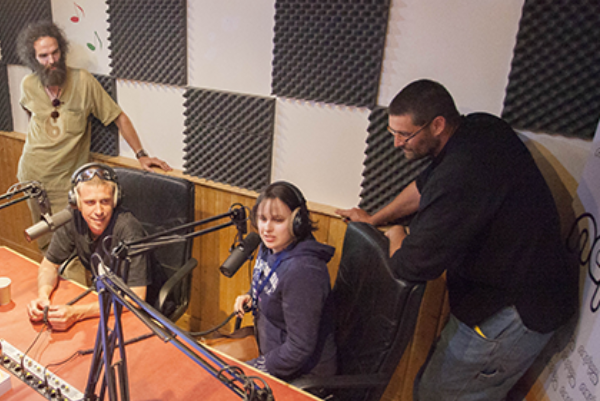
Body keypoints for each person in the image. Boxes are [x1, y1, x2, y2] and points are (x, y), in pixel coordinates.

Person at [336, 79, 577, 400]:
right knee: (431, 388)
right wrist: (375, 219)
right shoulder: (479, 127)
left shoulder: (461, 174)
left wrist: (395, 232)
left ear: (437, 125)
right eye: (392, 132)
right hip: (495, 301)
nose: (396, 143)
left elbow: (409, 265)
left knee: (440, 395)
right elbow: (423, 188)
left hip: (515, 311)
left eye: (404, 134)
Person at [15, 21, 171, 244]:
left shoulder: (83, 81)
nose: (52, 60)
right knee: (44, 242)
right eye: (43, 56)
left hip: (66, 181)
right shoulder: (28, 85)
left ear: (62, 50)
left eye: (55, 52)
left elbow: (118, 116)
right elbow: (32, 117)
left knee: (71, 245)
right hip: (32, 176)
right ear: (33, 59)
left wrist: (141, 154)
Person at [233, 181, 337, 382]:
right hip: (271, 352)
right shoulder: (271, 246)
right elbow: (273, 284)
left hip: (302, 374)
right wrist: (251, 295)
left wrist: (255, 368)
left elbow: (299, 348)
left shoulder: (304, 271)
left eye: (278, 220)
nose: (266, 228)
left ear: (297, 222)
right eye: (262, 219)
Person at [26, 163, 151, 331]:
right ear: (76, 202)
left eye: (105, 201)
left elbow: (136, 298)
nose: (98, 211)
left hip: (135, 311)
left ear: (115, 200)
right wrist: (43, 297)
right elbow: (49, 265)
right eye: (90, 202)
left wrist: (77, 313)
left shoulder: (129, 229)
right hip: (104, 298)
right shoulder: (72, 217)